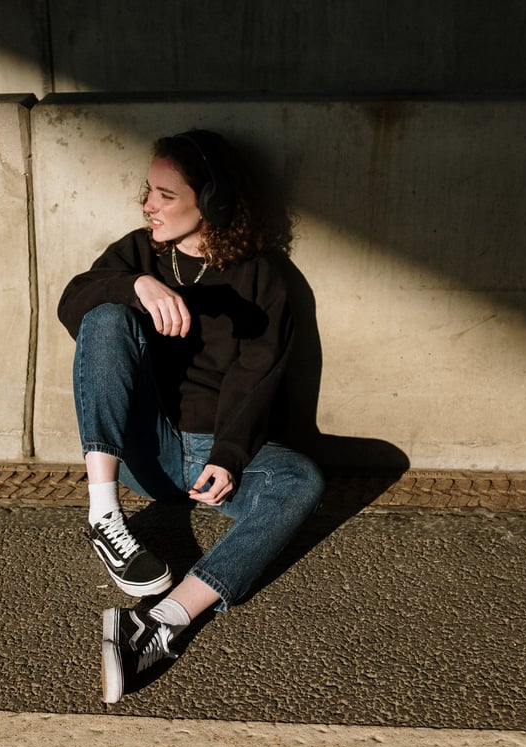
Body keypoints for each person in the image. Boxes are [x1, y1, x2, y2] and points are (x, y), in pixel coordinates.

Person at [57, 129, 325, 703]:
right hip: (143, 451)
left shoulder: (262, 279)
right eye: (147, 191)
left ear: (214, 202)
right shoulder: (140, 251)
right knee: (105, 317)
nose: (148, 205)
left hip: (208, 455)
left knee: (301, 479)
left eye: (166, 195)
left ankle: (163, 621)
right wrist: (136, 284)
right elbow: (72, 301)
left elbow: (257, 377)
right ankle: (103, 516)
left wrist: (230, 454)